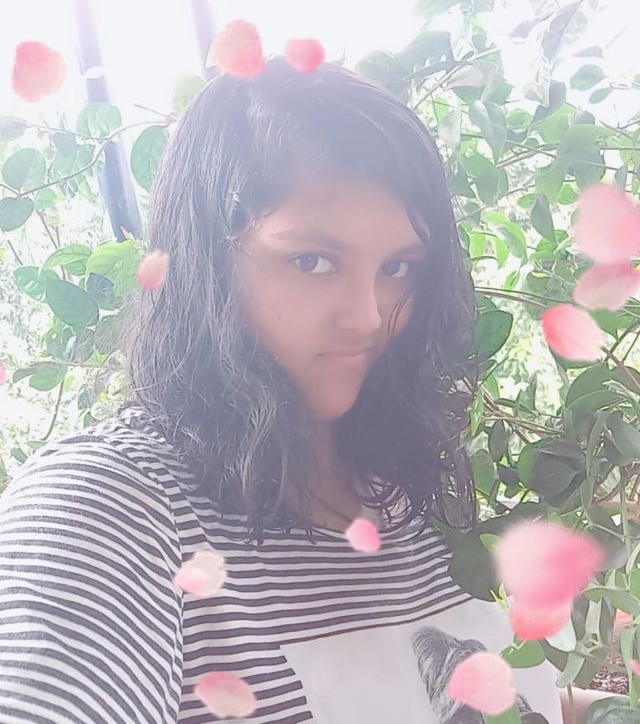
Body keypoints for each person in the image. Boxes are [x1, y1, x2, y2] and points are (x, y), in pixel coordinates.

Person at [0, 58, 609, 722]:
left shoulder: (405, 487)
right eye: (312, 261)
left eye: (398, 267)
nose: (369, 316)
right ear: (205, 261)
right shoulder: (112, 509)